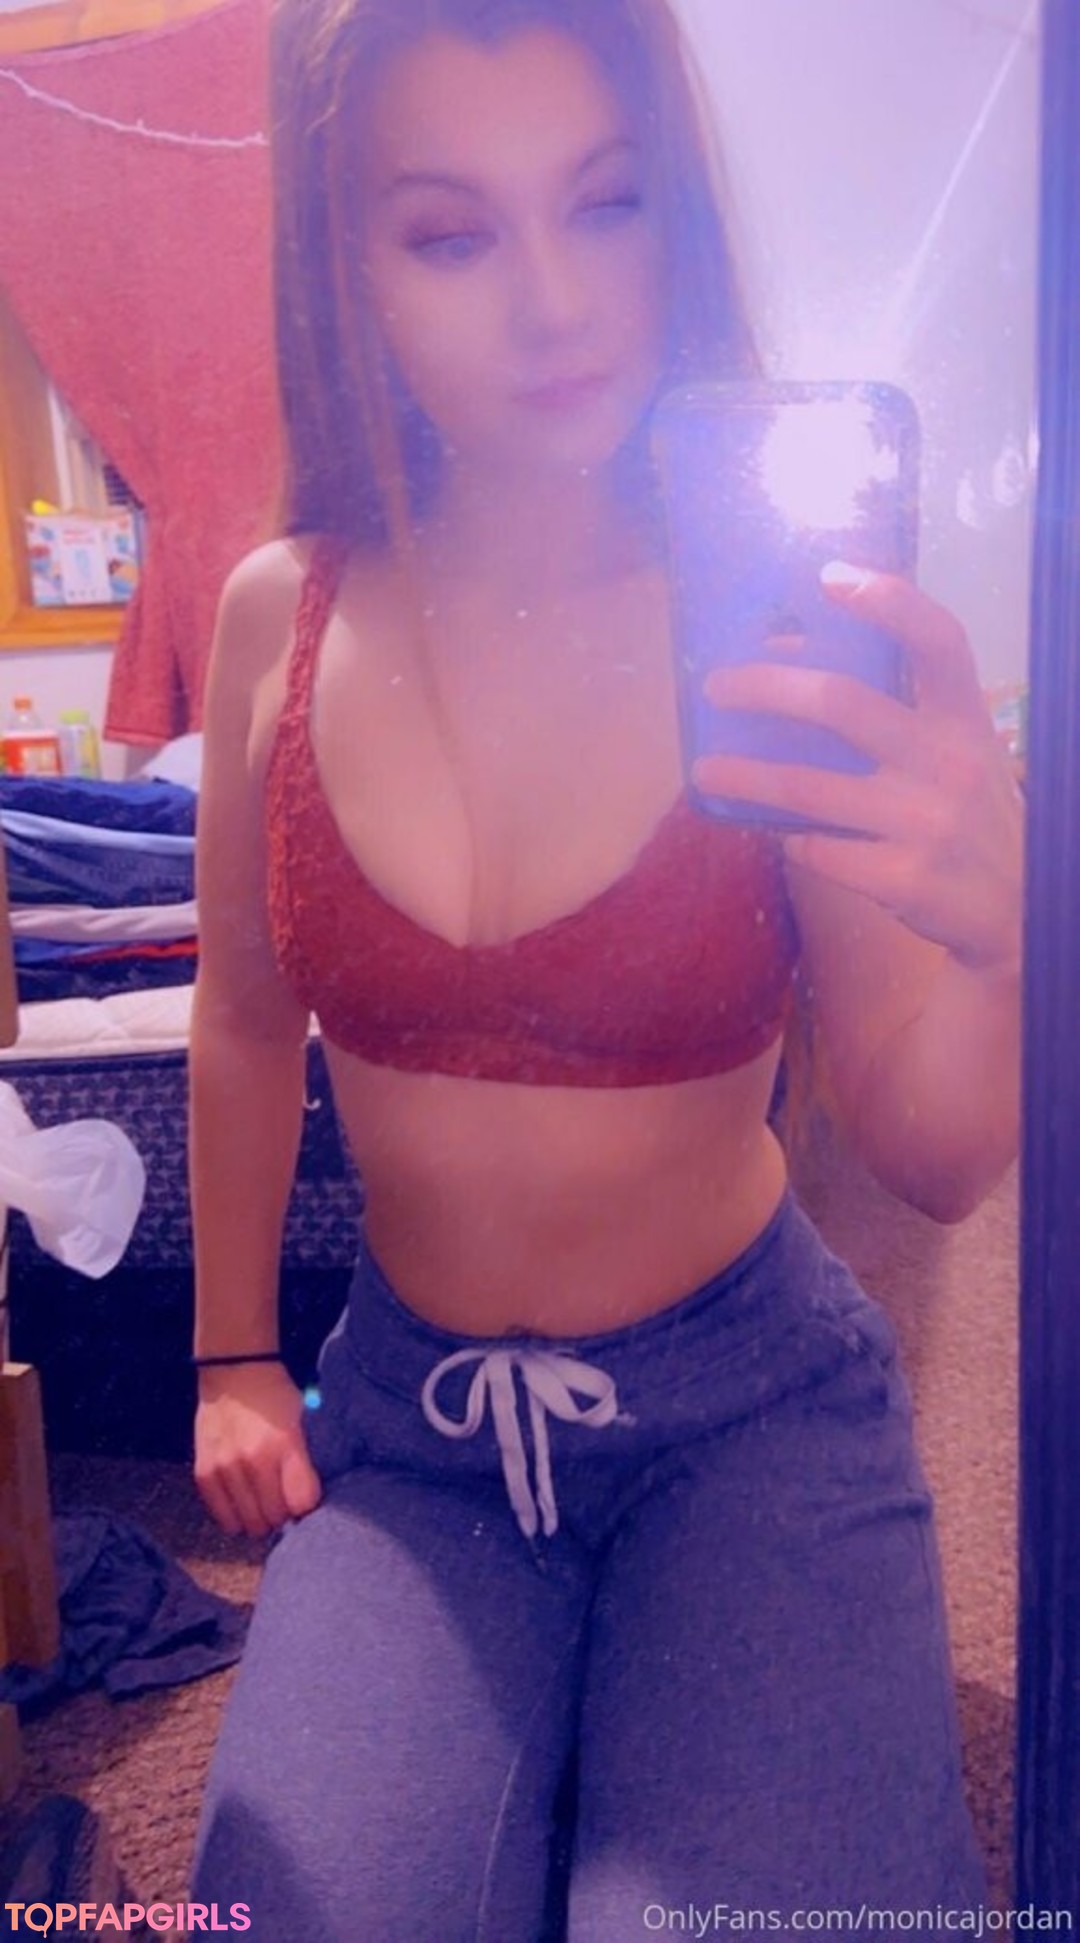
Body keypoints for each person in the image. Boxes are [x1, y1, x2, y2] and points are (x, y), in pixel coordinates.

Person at [187, 2, 1024, 1937]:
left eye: (607, 202)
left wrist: (1015, 931)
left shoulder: (782, 616)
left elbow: (934, 1156)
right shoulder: (273, 619)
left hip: (748, 1406)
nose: (555, 303)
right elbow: (237, 1017)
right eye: (451, 231)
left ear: (680, 215)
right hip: (408, 1433)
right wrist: (233, 1356)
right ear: (345, 261)